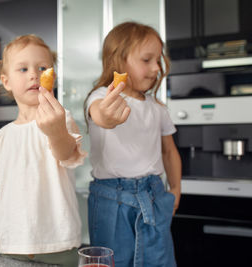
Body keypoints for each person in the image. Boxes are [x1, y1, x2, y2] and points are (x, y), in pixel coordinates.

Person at [0, 34, 87, 267]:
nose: (34, 74)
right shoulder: (2, 137)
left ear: (52, 77)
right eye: (23, 69)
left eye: (42, 67)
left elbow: (67, 155)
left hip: (59, 243)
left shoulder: (62, 119)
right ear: (6, 81)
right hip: (13, 245)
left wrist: (56, 131)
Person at [83, 21, 181, 267]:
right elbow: (101, 115)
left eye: (158, 61)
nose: (156, 68)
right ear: (118, 60)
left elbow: (169, 152)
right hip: (110, 200)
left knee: (159, 261)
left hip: (155, 196)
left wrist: (177, 188)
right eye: (146, 60)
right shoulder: (100, 97)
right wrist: (107, 115)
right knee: (112, 261)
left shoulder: (157, 108)